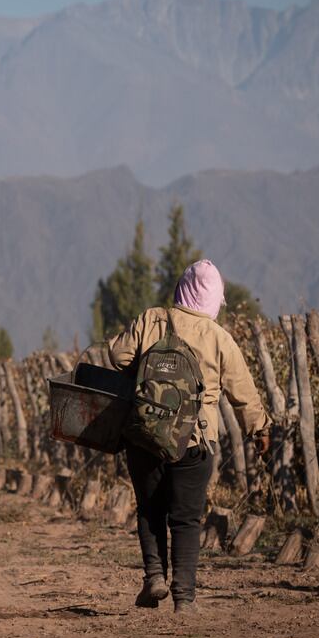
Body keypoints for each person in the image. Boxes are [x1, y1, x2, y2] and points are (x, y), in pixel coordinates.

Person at [107, 259, 271, 615]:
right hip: (195, 441)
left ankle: (154, 577)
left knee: (150, 510)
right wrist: (259, 428)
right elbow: (243, 392)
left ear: (182, 289)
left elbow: (116, 355)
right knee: (185, 519)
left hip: (144, 436)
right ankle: (185, 598)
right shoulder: (219, 337)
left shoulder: (151, 319)